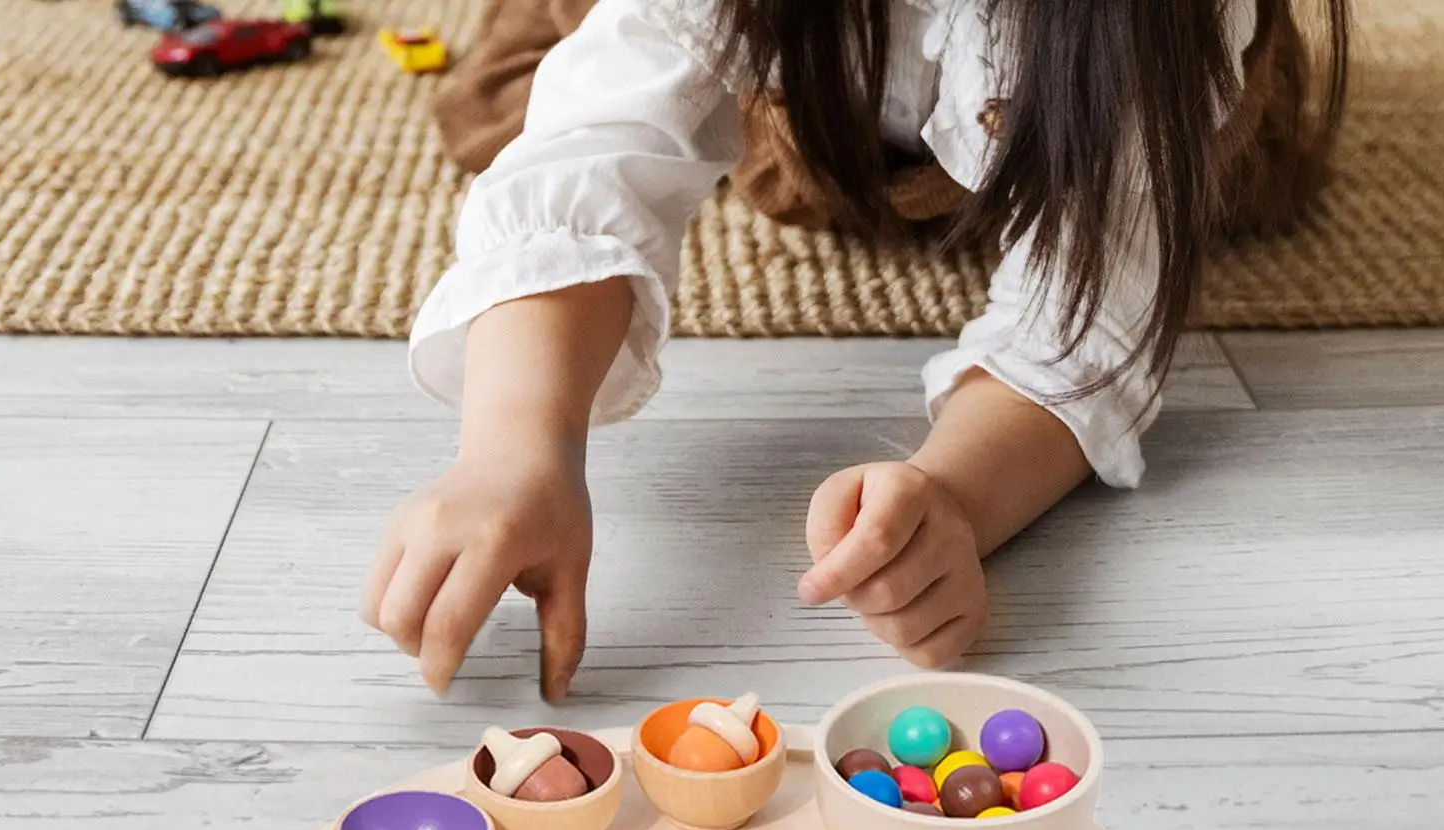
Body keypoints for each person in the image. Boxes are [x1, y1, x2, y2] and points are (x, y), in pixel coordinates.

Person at [363, 0, 1348, 698]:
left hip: (1111, 62)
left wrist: (957, 494)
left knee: (1247, 179)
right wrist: (514, 445)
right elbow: (594, 157)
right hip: (820, 81)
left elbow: (1086, 330)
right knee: (523, 90)